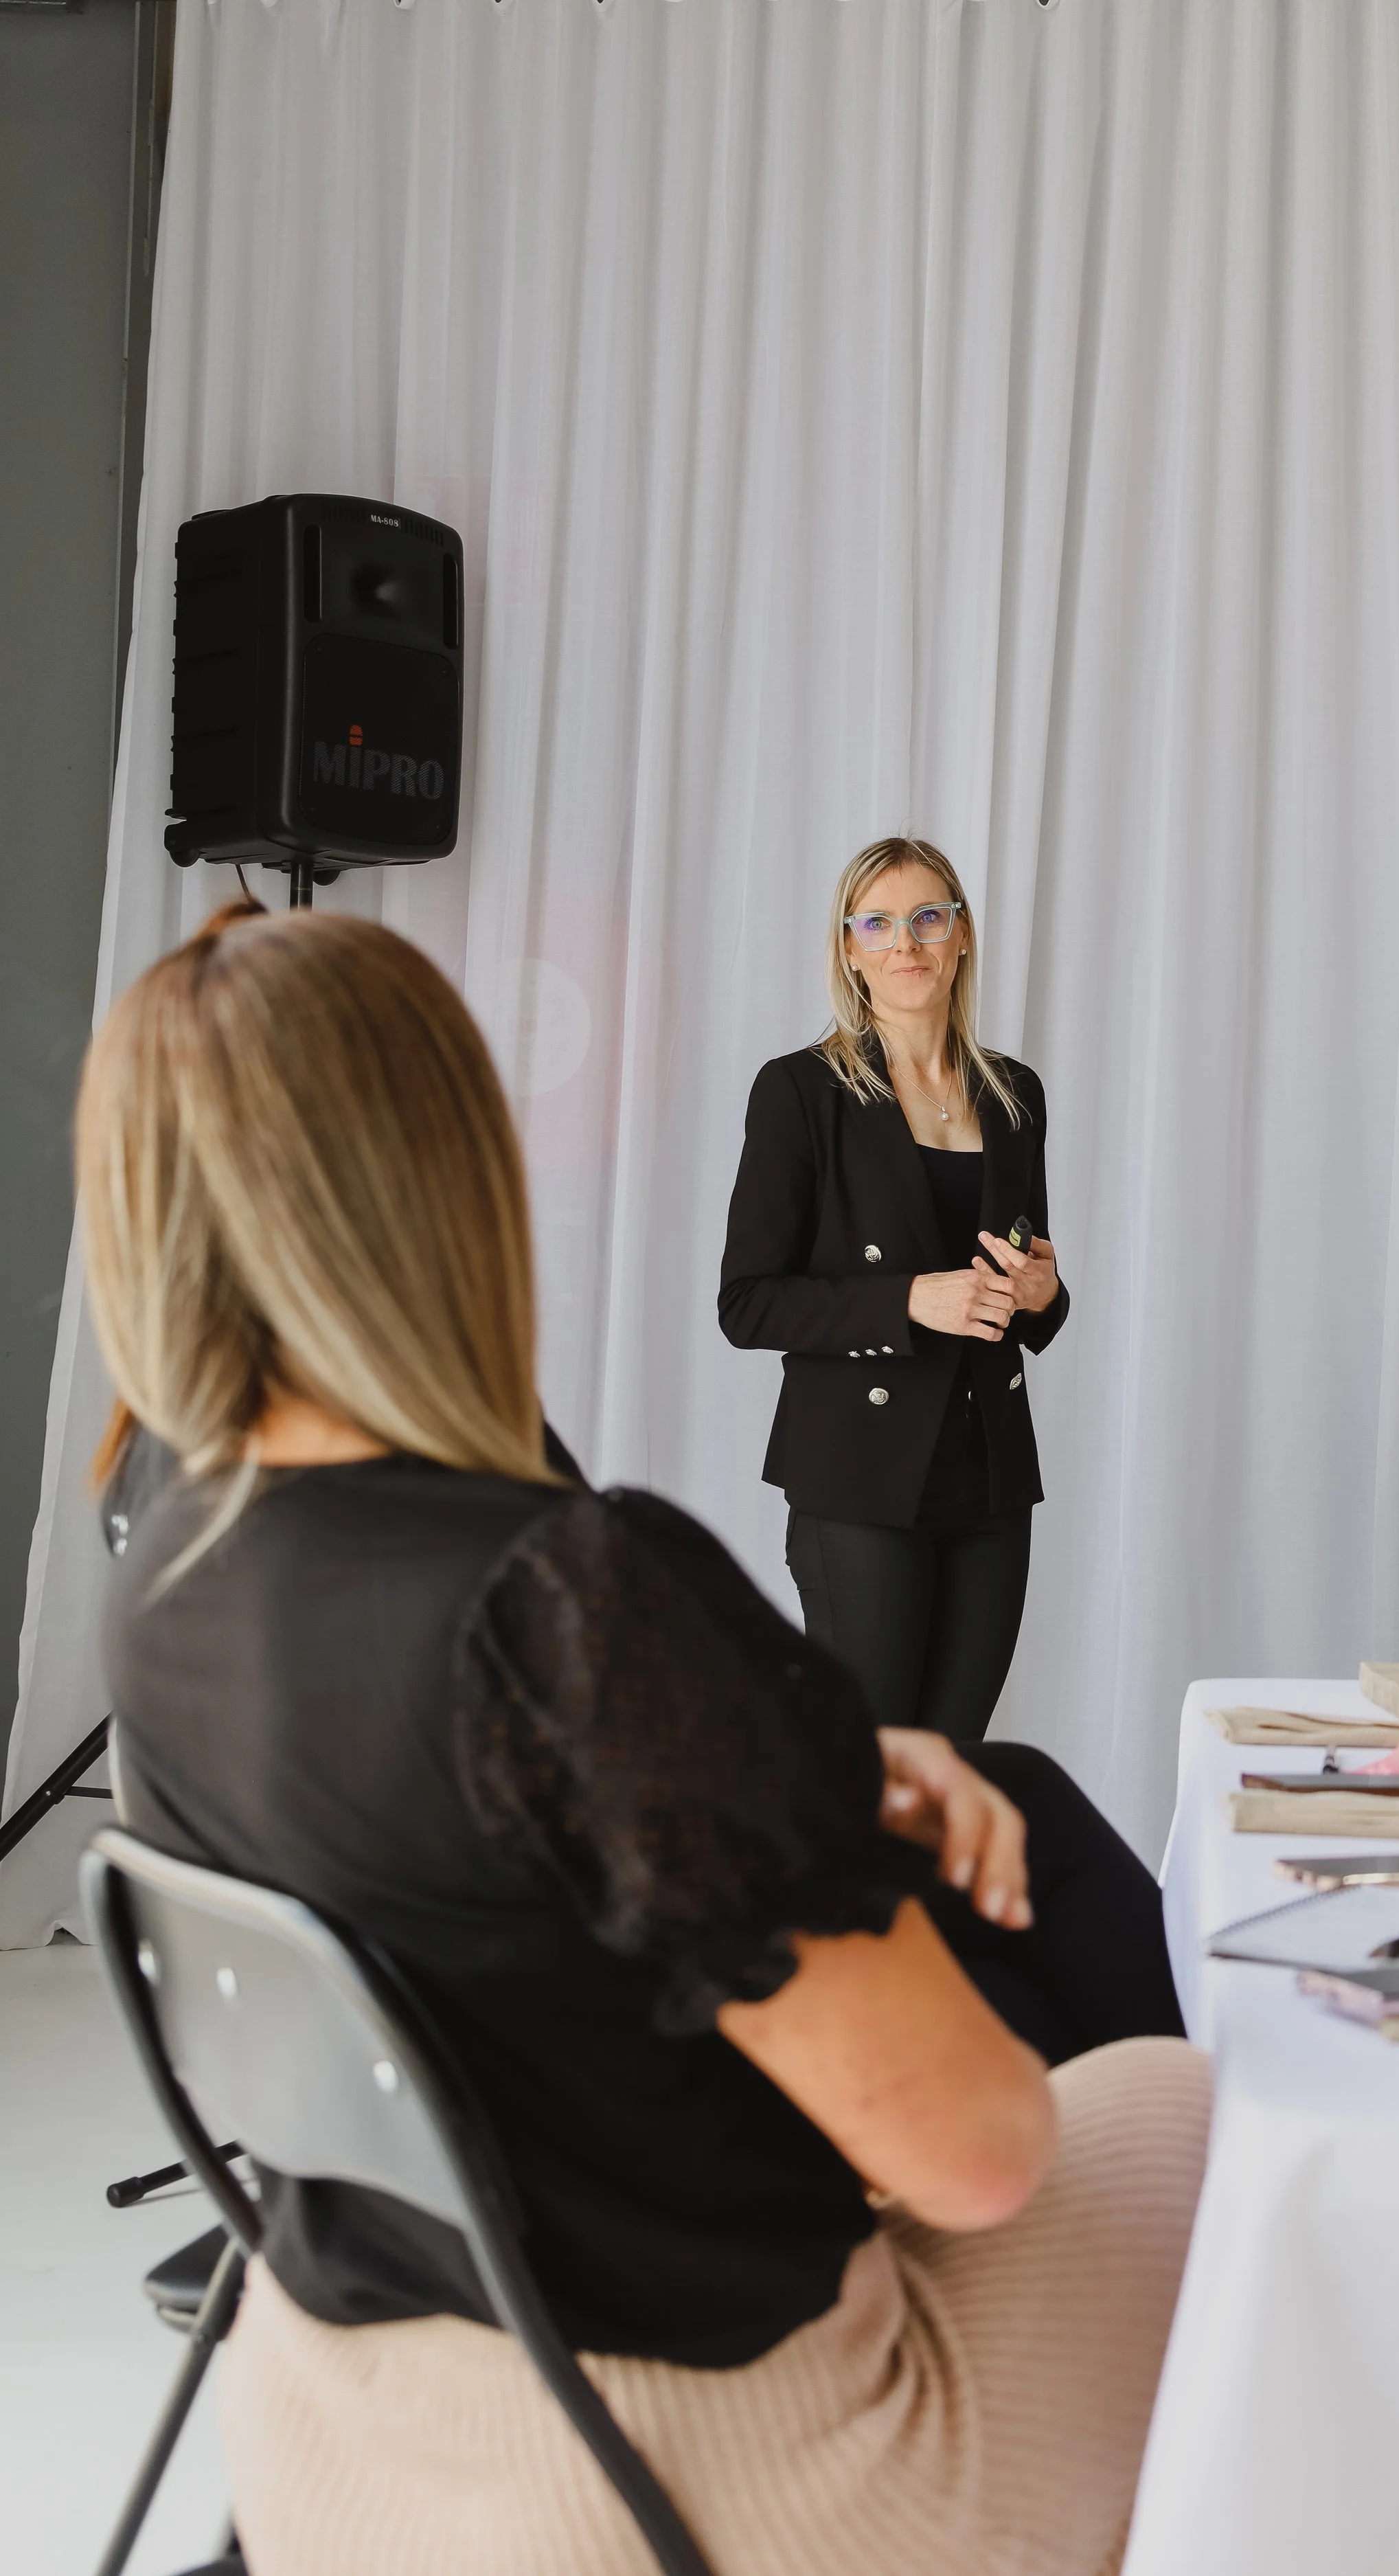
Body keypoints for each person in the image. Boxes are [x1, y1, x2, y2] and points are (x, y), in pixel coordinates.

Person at [80, 903, 1207, 2576]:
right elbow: (975, 2156)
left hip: (329, 2428)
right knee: (1184, 2105)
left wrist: (790, 1780)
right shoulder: (571, 1592)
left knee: (1014, 1814)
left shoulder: (159, 1564)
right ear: (450, 1181)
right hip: (656, 2464)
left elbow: (474, 1888)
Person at [720, 835, 1065, 1743]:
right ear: (849, 947)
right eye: (876, 922)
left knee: (954, 1764)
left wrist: (1043, 1295)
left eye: (926, 917)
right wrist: (909, 1301)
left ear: (961, 934)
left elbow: (1027, 1282)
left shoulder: (1015, 1094)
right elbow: (747, 1300)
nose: (905, 942)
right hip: (859, 1480)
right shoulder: (802, 1091)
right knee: (870, 1766)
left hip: (990, 1476)